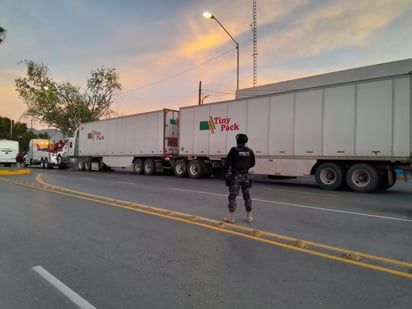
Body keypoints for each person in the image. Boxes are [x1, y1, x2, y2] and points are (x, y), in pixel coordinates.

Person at [223, 133, 255, 223]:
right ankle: (249, 217)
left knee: (232, 196)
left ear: (236, 141)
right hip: (245, 176)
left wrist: (224, 173)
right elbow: (253, 163)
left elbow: (227, 163)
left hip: (235, 176)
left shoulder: (234, 150)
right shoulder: (250, 151)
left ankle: (231, 218)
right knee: (247, 196)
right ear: (246, 141)